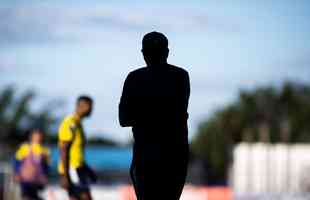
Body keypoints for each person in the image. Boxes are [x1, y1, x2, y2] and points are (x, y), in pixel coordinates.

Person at [119, 31, 190, 200]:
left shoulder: (134, 78)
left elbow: (124, 119)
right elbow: (177, 113)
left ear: (144, 54)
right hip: (175, 158)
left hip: (145, 158)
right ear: (167, 52)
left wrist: (144, 114)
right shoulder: (181, 76)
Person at [58, 95, 97, 200]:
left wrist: (88, 170)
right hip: (72, 169)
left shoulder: (78, 124)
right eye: (90, 106)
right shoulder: (70, 123)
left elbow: (77, 153)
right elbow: (64, 149)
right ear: (82, 106)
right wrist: (65, 176)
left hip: (78, 168)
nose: (92, 109)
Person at [13, 128, 50, 200]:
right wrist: (16, 173)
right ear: (32, 137)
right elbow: (17, 161)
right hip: (25, 179)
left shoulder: (45, 150)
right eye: (36, 136)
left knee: (35, 196)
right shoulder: (25, 147)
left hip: (38, 180)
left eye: (39, 136)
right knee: (26, 196)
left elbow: (46, 166)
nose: (38, 138)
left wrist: (46, 176)